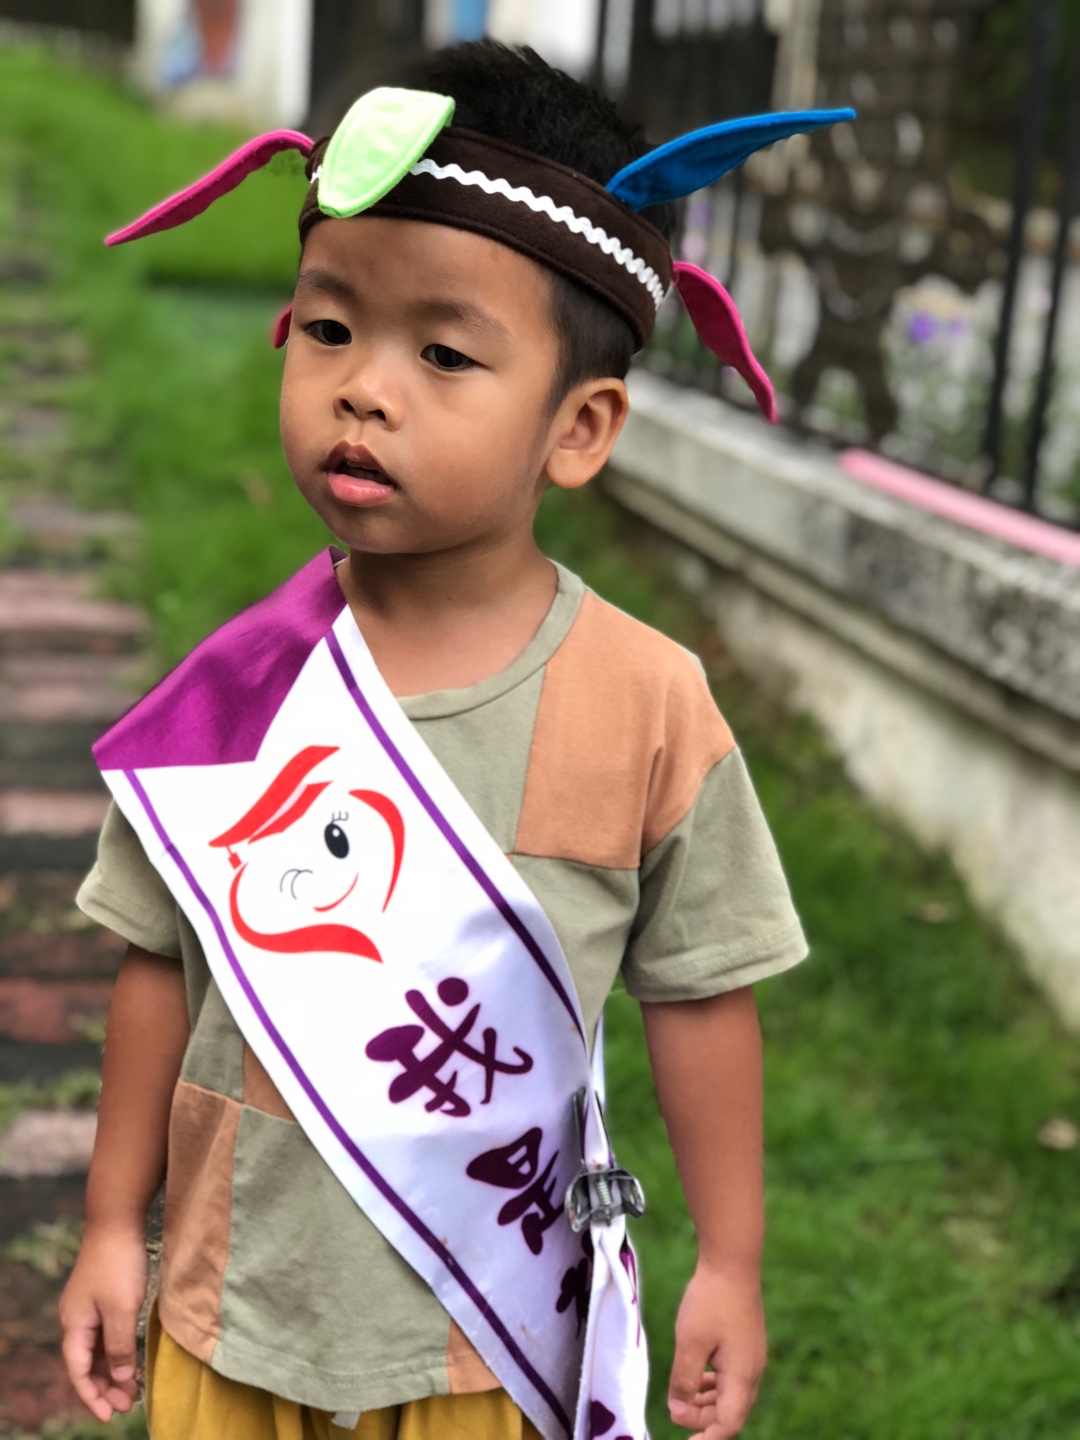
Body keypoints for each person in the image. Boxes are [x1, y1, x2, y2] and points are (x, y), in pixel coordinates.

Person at [58, 40, 847, 1440]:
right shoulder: (237, 690)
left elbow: (702, 993)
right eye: (330, 328)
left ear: (579, 427)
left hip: (491, 1349)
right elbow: (154, 965)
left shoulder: (649, 702)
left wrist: (731, 1262)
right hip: (229, 1322)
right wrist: (116, 1223)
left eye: (443, 352)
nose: (365, 388)